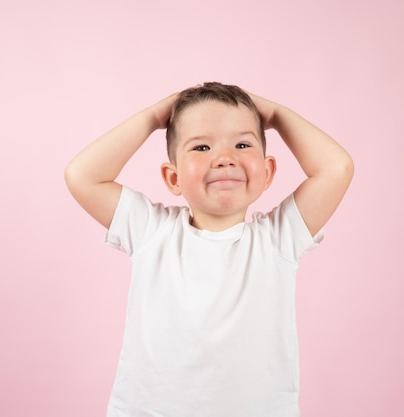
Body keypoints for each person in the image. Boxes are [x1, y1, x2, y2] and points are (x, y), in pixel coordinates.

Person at [65, 82, 354, 417]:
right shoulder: (151, 231)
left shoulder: (277, 239)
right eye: (201, 147)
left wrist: (275, 114)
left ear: (267, 172)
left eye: (242, 143)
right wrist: (154, 117)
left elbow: (337, 168)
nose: (224, 158)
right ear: (173, 178)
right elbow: (81, 175)